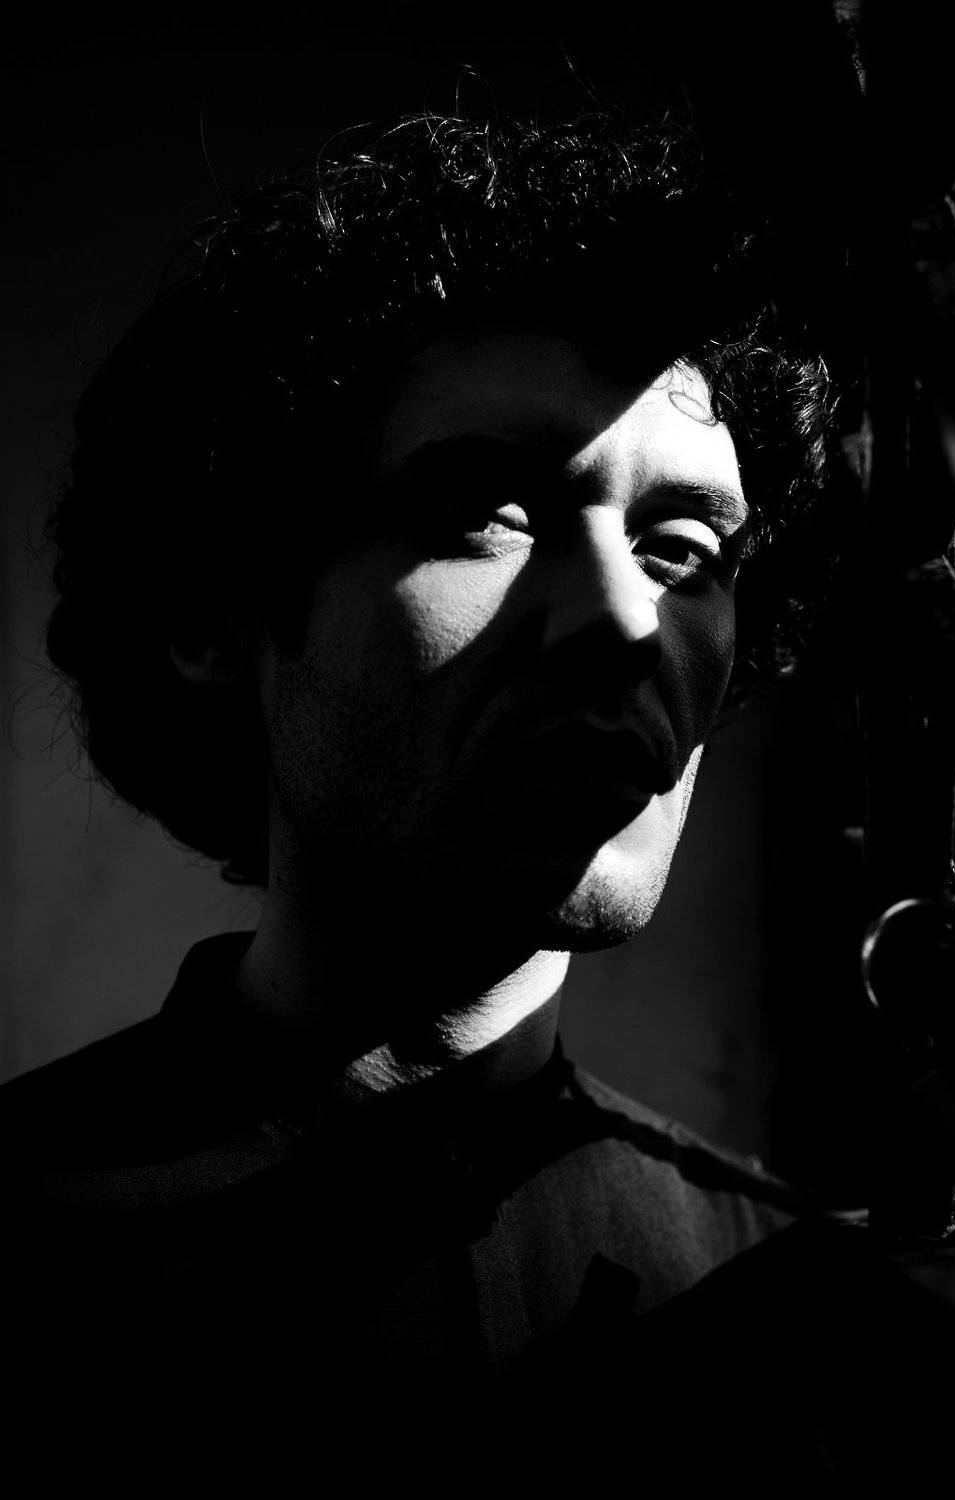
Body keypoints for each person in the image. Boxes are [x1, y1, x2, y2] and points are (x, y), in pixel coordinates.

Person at [2, 111, 834, 1439]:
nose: (626, 620)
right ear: (214, 609)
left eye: (682, 548)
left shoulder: (810, 1318)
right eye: (488, 515)